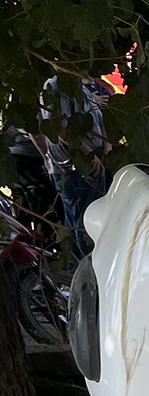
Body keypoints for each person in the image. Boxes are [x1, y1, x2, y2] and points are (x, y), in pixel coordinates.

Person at [32, 76, 109, 263]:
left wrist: (107, 149)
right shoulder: (55, 86)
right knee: (82, 225)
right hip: (74, 167)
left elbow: (100, 122)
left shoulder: (82, 88)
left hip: (94, 164)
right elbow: (58, 129)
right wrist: (89, 153)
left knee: (92, 219)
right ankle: (84, 273)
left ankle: (90, 268)